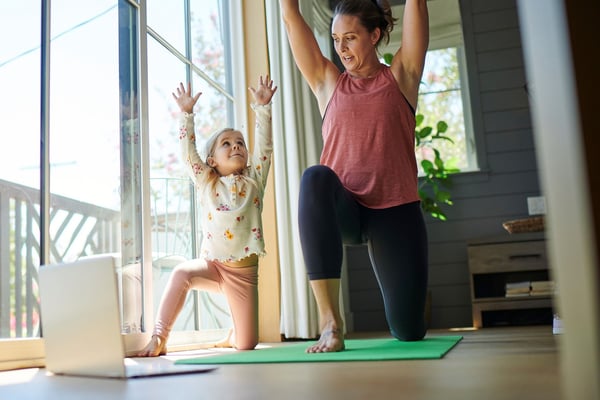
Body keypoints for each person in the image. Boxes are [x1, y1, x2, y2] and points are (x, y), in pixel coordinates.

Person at [280, 0, 429, 353]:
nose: (341, 48)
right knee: (315, 177)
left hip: (395, 210)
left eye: (350, 38)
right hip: (344, 207)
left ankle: (404, 320)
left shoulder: (401, 76)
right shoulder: (327, 82)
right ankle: (330, 324)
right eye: (335, 39)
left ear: (374, 35)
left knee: (409, 331)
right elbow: (289, 16)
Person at [136, 75, 277, 356]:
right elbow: (189, 155)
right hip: (213, 268)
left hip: (244, 275)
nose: (236, 146)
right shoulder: (207, 182)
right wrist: (186, 115)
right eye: (226, 143)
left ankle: (233, 334)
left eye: (240, 143)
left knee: (246, 344)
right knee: (181, 273)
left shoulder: (254, 179)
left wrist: (262, 109)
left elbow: (264, 148)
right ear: (212, 161)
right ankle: (159, 338)